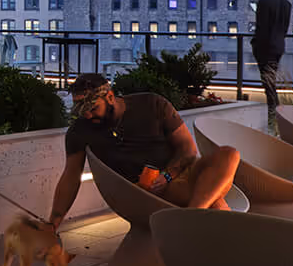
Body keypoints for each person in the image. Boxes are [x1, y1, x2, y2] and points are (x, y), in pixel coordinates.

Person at [47, 74, 239, 224]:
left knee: (229, 154)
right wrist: (53, 224)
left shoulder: (151, 104)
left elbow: (187, 149)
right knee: (212, 198)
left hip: (177, 172)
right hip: (147, 189)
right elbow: (71, 177)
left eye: (93, 108)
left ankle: (193, 216)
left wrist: (168, 175)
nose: (88, 116)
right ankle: (200, 218)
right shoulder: (80, 131)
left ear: (110, 97)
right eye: (82, 111)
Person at [251, 0, 292, 122]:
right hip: (278, 46)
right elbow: (284, 28)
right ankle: (276, 116)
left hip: (265, 48)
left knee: (268, 84)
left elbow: (261, 28)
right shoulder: (286, 3)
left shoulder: (263, 3)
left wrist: (255, 45)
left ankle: (274, 117)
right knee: (271, 82)